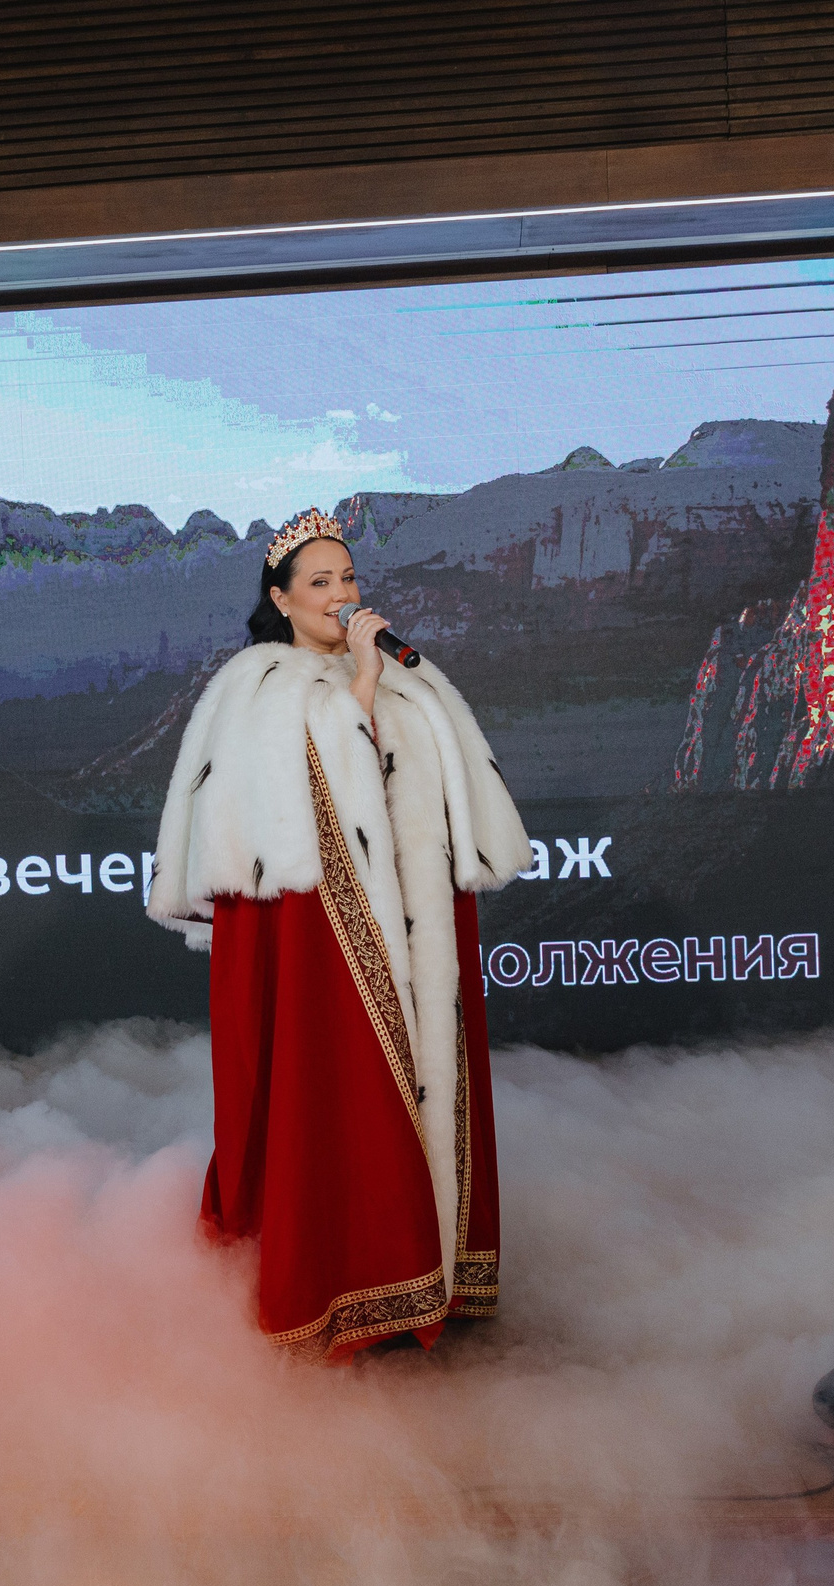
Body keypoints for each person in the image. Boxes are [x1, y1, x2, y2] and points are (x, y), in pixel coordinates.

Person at [147, 508, 531, 1360]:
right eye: (320, 582)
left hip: (415, 930)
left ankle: (430, 1268)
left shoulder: (407, 681)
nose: (341, 594)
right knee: (343, 1101)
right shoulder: (260, 687)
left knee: (429, 1093)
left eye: (348, 578)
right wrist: (358, 678)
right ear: (281, 599)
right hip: (330, 948)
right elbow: (319, 787)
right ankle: (350, 1281)